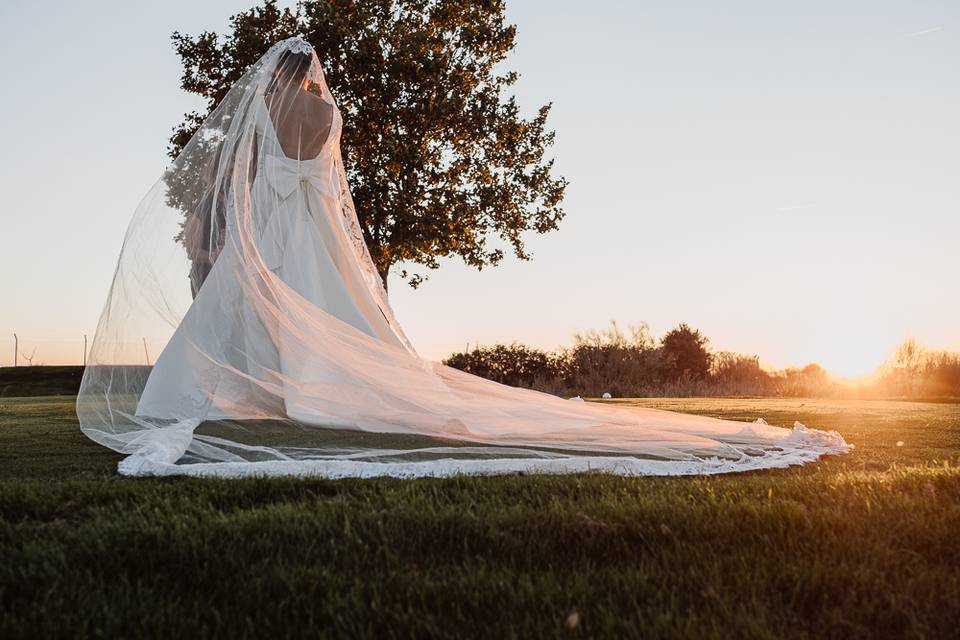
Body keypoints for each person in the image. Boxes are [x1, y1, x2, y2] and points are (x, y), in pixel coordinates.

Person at [77, 37, 848, 478]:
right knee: (334, 311)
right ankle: (314, 393)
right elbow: (331, 190)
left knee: (247, 314)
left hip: (271, 231)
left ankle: (227, 394)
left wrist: (231, 238)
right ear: (309, 73)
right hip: (309, 226)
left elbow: (246, 182)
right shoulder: (322, 109)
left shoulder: (264, 113)